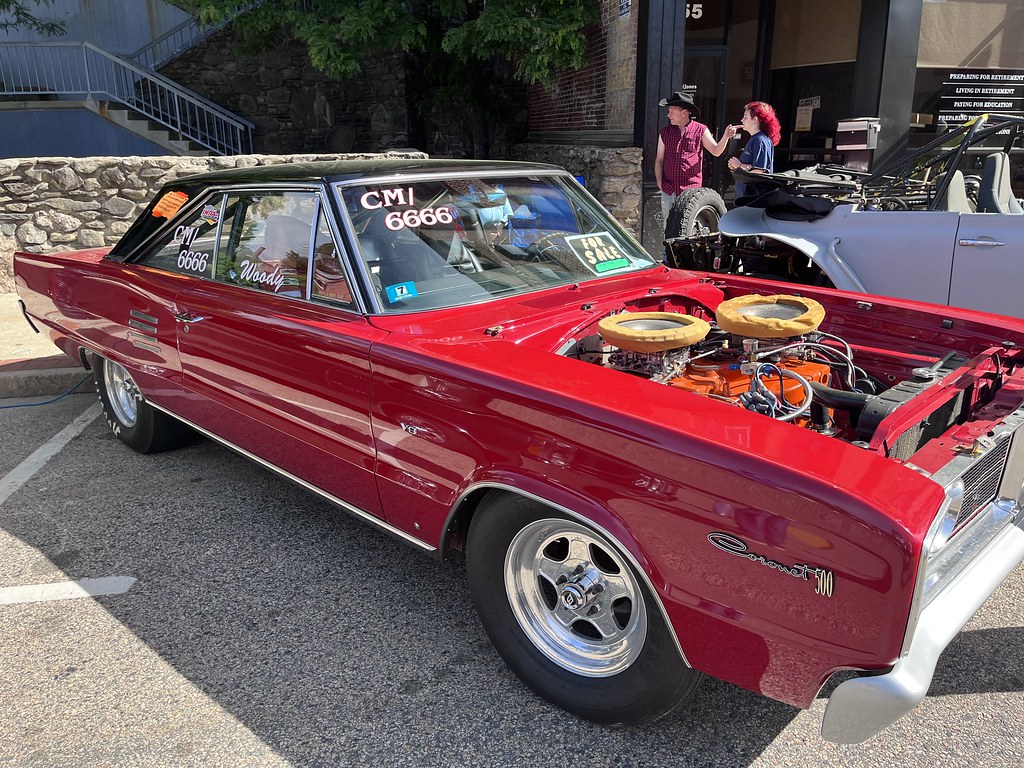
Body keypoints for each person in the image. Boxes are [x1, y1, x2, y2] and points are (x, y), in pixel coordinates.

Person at [655, 91, 738, 225]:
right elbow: (659, 159)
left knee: (690, 228)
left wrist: (726, 136)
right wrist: (659, 182)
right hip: (669, 190)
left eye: (671, 111)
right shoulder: (664, 132)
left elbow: (716, 151)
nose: (668, 114)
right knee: (669, 227)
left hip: (691, 191)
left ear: (684, 113)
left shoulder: (700, 130)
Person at [728, 101, 782, 201]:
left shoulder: (760, 140)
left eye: (745, 117)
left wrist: (739, 165)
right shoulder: (756, 139)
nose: (742, 120)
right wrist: (737, 167)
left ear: (755, 119)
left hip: (754, 199)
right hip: (748, 197)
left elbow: (760, 171)